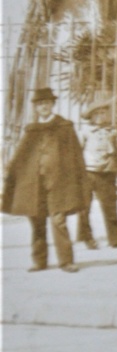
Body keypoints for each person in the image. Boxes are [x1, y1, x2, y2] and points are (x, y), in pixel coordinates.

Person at [2, 88, 87, 273]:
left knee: (58, 220)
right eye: (40, 104)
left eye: (47, 103)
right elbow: (20, 156)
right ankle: (40, 261)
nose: (44, 107)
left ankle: (66, 261)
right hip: (35, 183)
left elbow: (75, 155)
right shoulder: (31, 130)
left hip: (58, 183)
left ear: (52, 104)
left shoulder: (65, 127)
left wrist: (77, 180)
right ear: (36, 107)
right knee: (36, 220)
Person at [76, 96, 117, 250]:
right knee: (84, 207)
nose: (100, 117)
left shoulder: (112, 132)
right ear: (91, 116)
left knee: (110, 206)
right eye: (96, 114)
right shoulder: (84, 131)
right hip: (87, 172)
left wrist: (116, 170)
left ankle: (116, 238)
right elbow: (77, 152)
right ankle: (86, 237)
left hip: (106, 173)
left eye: (103, 113)